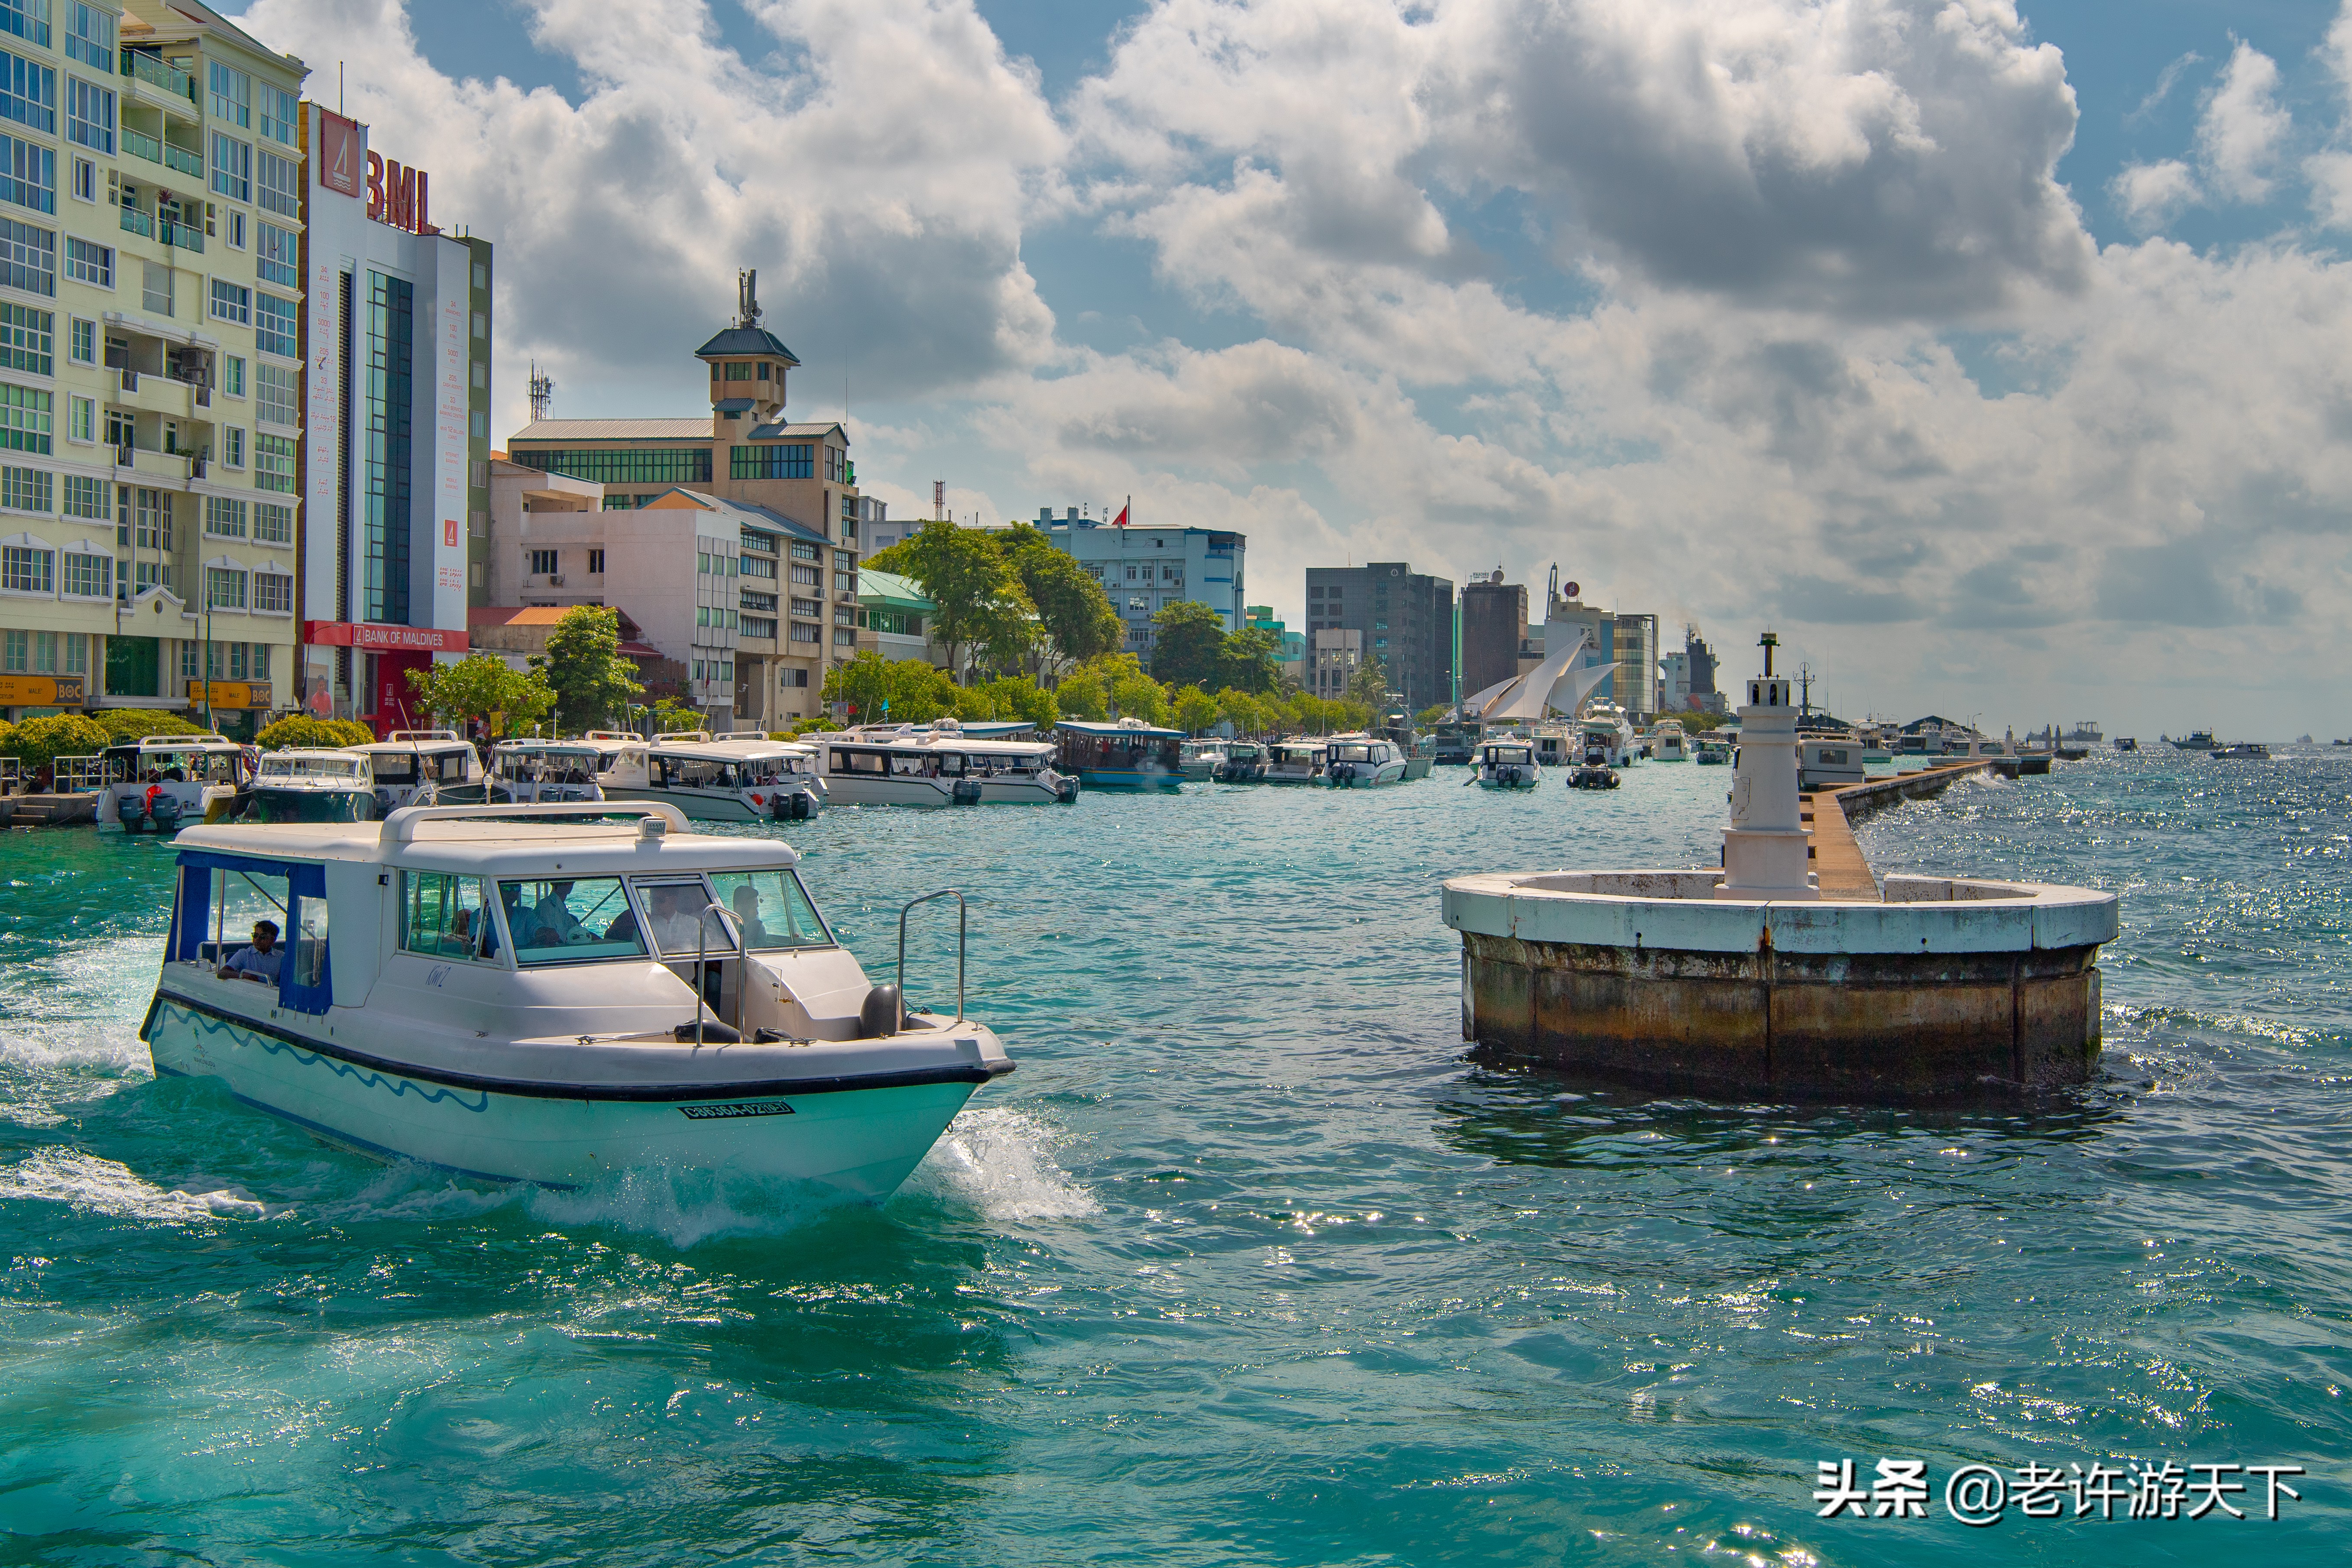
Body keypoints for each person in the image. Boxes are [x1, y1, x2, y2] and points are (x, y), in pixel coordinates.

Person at [217, 920, 282, 984]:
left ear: (273, 940)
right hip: (250, 991)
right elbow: (222, 973)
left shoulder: (281, 957)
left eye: (263, 937)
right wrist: (242, 976)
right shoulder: (244, 954)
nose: (257, 940)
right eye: (256, 935)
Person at [729, 883, 771, 949]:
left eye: (757, 908)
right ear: (739, 909)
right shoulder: (724, 926)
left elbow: (760, 953)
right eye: (753, 909)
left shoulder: (759, 927)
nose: (757, 913)